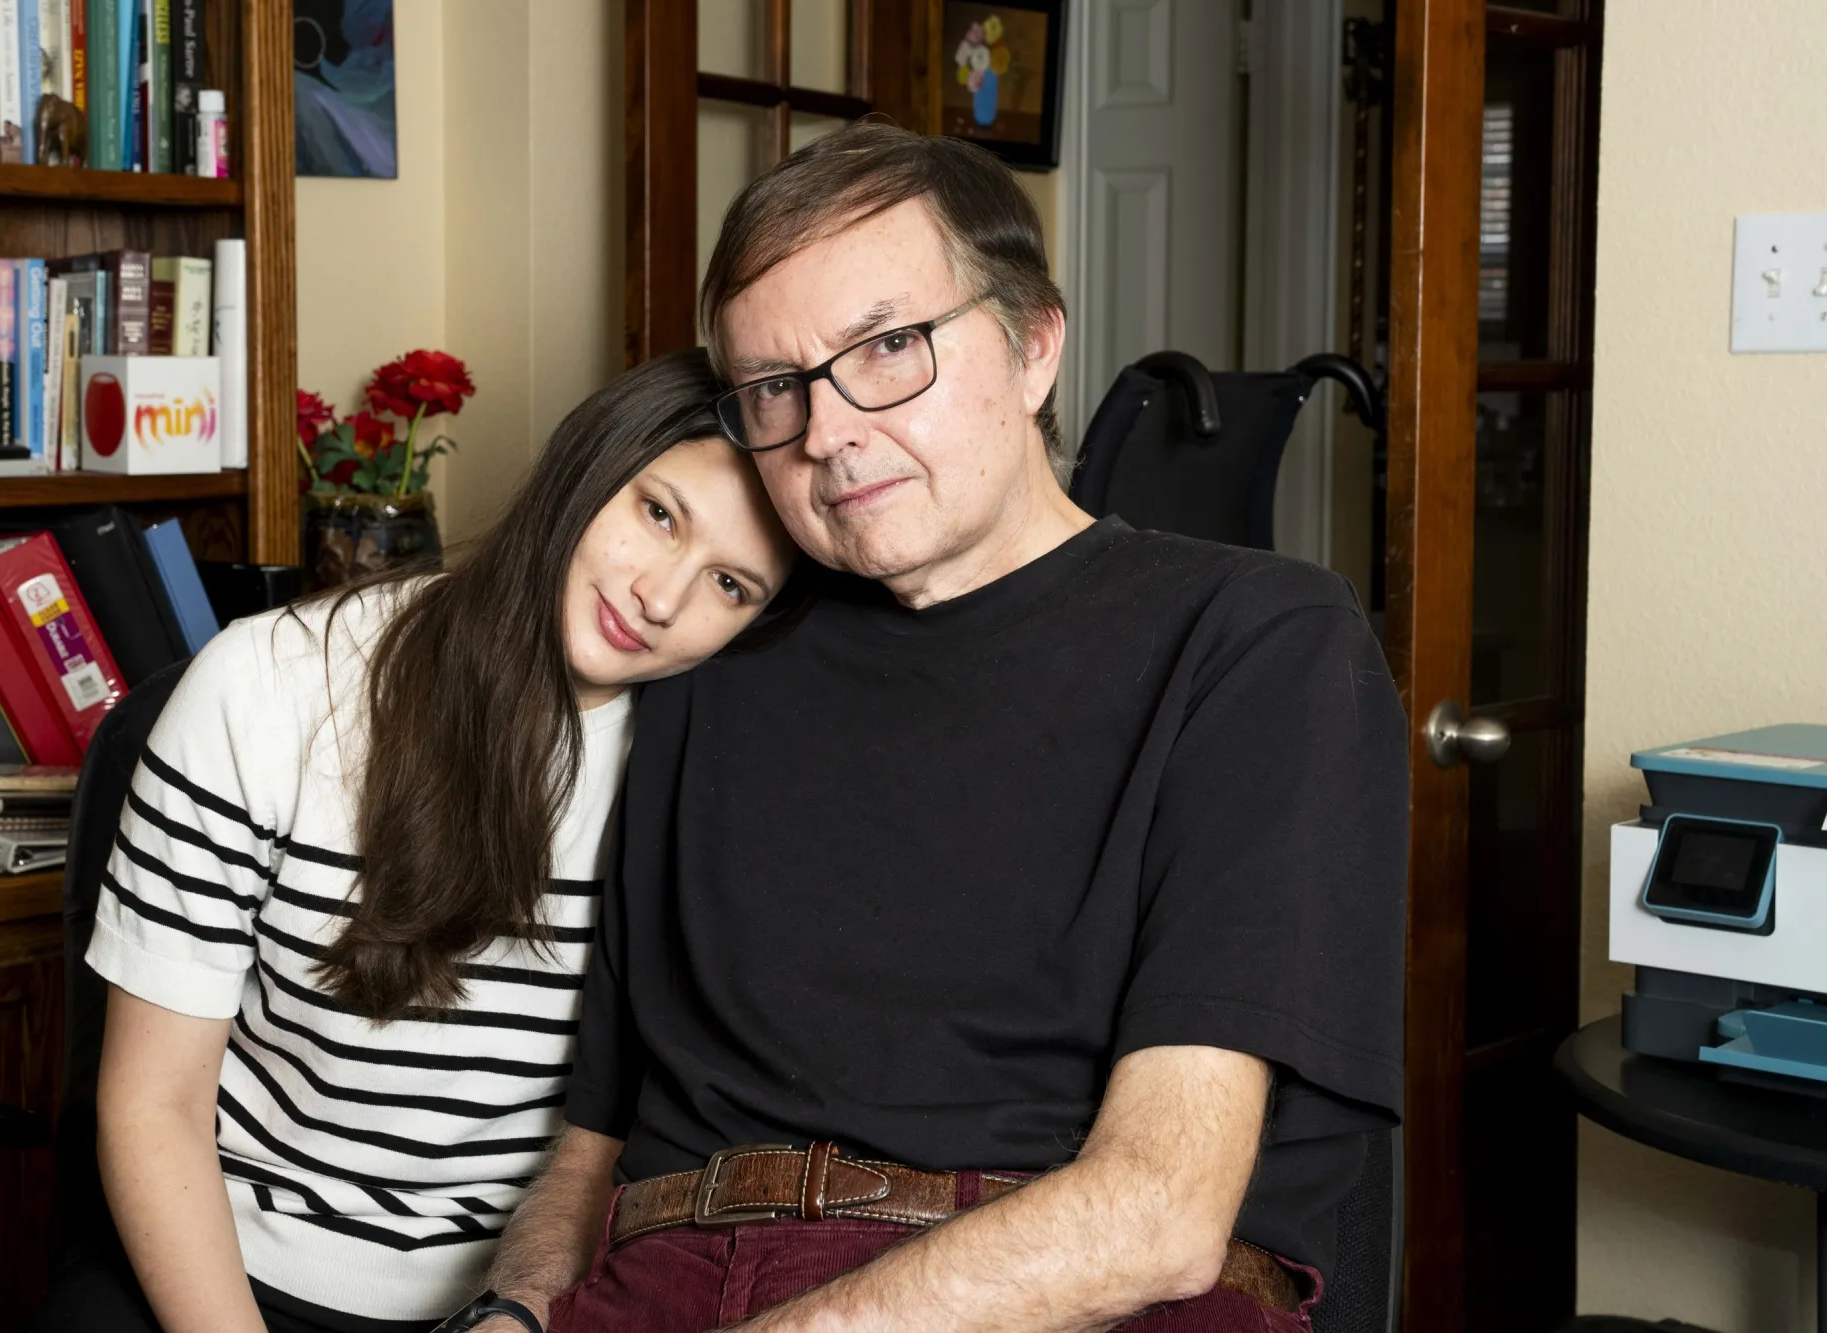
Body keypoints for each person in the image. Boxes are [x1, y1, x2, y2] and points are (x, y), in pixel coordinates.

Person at [467, 124, 1407, 1333]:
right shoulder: (717, 647)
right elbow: (593, 1143)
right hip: (667, 1273)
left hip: (1064, 1294)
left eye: (888, 347)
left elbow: (1158, 1212)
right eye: (773, 388)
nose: (827, 431)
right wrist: (513, 1310)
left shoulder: (1254, 641)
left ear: (1031, 345)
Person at [34, 350, 796, 1333]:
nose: (659, 596)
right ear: (588, 467)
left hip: (517, 1303)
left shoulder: (708, 776)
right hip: (214, 1273)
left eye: (729, 585)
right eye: (657, 514)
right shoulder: (269, 686)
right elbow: (153, 1107)